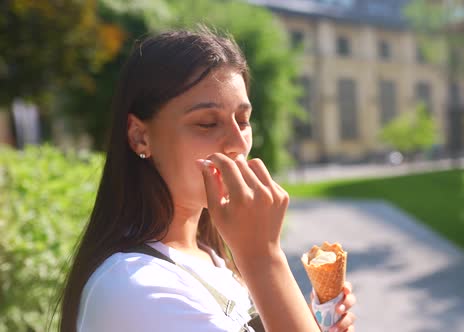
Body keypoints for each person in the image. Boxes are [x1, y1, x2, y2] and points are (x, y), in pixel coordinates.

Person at [57, 26, 356, 332]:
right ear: (140, 137)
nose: (237, 143)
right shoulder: (133, 286)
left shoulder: (208, 255)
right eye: (207, 123)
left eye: (242, 120)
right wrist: (264, 256)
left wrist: (307, 320)